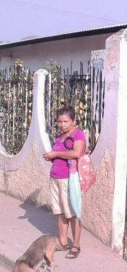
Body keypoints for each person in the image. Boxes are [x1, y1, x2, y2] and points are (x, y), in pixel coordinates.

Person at [43, 106, 86, 259]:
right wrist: (51, 157)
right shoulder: (59, 137)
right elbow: (62, 156)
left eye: (66, 121)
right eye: (59, 121)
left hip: (69, 179)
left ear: (73, 121)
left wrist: (55, 153)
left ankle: (76, 245)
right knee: (60, 212)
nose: (62, 125)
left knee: (73, 212)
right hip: (55, 178)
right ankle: (63, 242)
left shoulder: (78, 134)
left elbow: (76, 153)